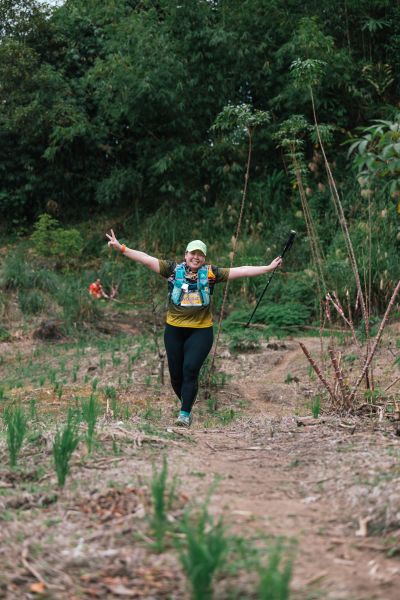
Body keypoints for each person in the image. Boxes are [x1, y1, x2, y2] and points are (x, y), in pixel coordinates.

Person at [106, 229, 282, 426]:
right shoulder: (172, 270)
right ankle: (187, 403)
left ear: (204, 258)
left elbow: (242, 270)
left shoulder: (212, 273)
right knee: (176, 377)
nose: (196, 257)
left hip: (201, 331)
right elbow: (146, 259)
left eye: (200, 254)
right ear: (186, 255)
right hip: (174, 330)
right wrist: (121, 248)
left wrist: (268, 268)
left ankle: (184, 414)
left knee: (190, 369)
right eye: (193, 253)